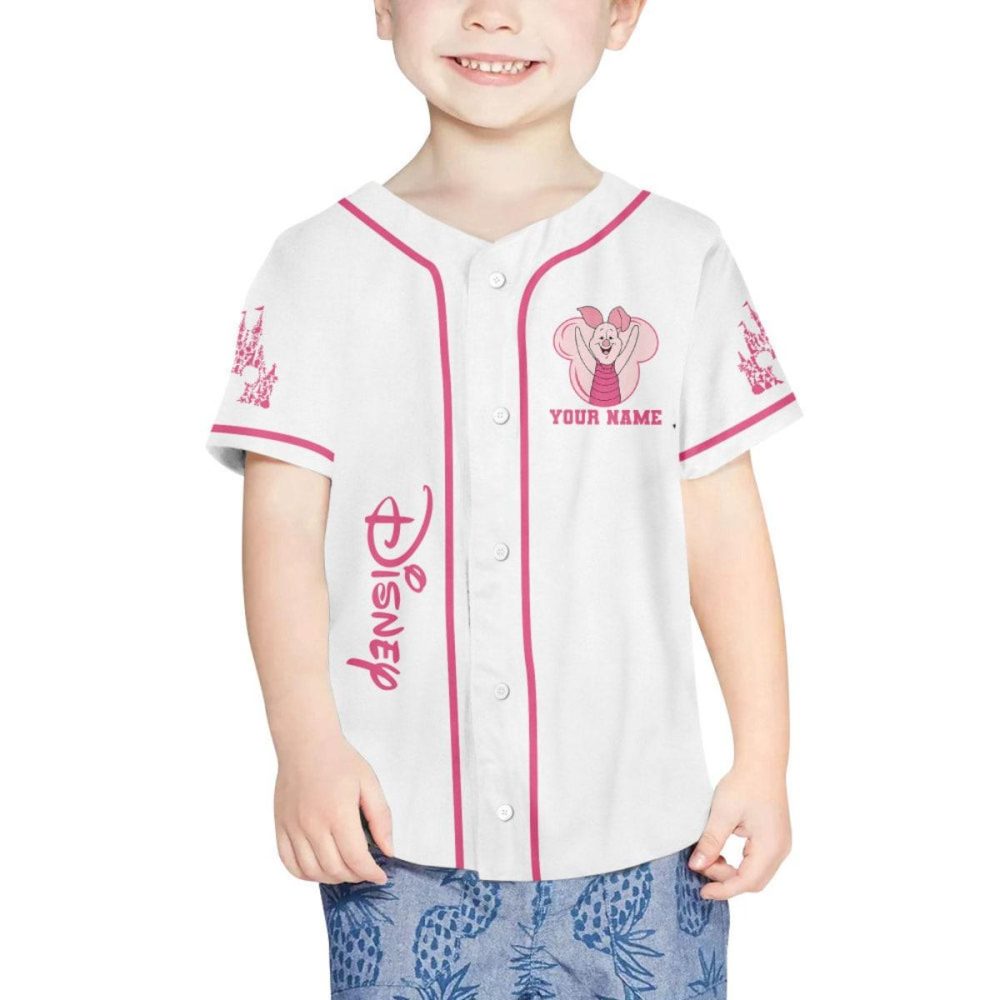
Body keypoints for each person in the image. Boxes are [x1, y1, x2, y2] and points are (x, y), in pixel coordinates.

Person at [204, 2, 802, 996]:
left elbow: (723, 528)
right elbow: (281, 525)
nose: (493, 14)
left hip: (647, 833)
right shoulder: (318, 265)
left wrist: (763, 760)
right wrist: (305, 744)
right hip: (396, 830)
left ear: (621, 14)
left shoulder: (676, 256)